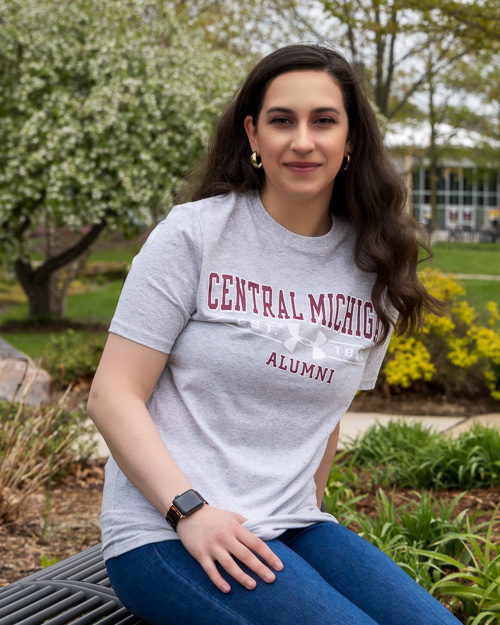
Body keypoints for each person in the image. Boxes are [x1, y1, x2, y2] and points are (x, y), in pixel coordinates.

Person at [88, 44, 458, 625]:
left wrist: (306, 529)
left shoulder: (375, 265)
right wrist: (192, 511)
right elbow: (112, 395)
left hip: (293, 525)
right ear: (253, 136)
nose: (302, 140)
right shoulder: (195, 236)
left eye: (324, 121)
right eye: (282, 120)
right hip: (168, 533)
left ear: (352, 138)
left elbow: (322, 418)